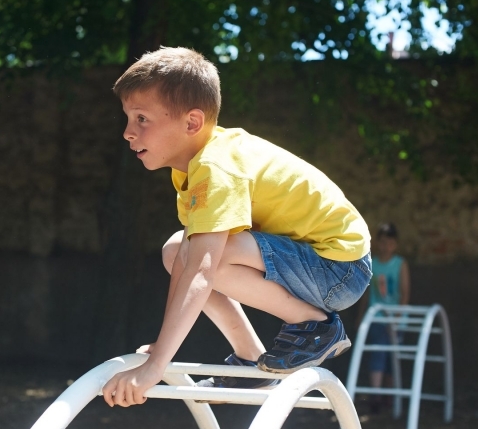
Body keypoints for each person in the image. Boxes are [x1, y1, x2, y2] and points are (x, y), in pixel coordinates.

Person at [102, 47, 371, 408]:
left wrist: (156, 364)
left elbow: (202, 270)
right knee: (176, 250)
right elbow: (189, 262)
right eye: (128, 119)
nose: (127, 133)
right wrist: (164, 346)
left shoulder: (217, 168)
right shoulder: (192, 169)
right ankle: (249, 352)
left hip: (340, 268)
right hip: (315, 264)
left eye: (142, 119)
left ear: (192, 123)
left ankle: (317, 326)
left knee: (208, 256)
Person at [356, 222, 411, 413]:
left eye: (390, 242)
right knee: (378, 353)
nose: (386, 245)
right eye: (382, 241)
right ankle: (376, 396)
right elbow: (366, 292)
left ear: (395, 244)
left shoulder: (400, 264)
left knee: (391, 359)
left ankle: (388, 395)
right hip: (376, 316)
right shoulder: (372, 263)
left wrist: (396, 320)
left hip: (395, 319)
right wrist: (361, 316)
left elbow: (404, 294)